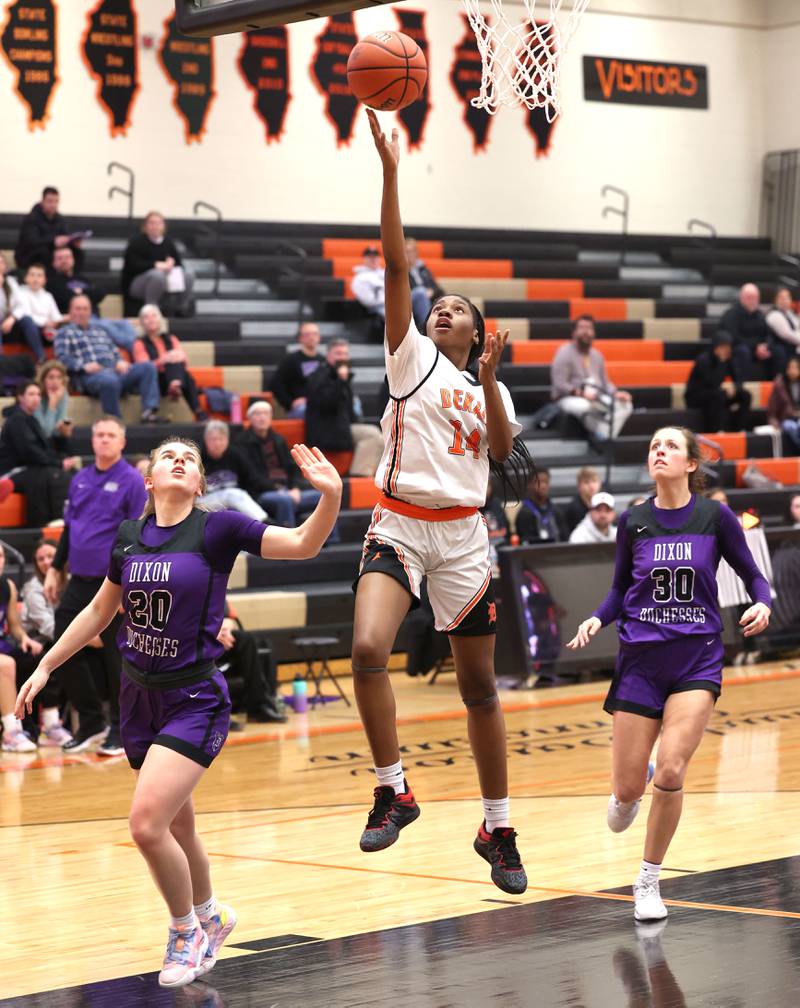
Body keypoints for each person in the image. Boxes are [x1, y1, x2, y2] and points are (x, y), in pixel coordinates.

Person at [16, 436, 341, 987]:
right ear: (149, 479)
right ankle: (212, 914)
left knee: (146, 826)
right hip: (141, 697)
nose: (180, 460)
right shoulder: (128, 538)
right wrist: (47, 665)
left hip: (195, 696)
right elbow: (100, 610)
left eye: (189, 459)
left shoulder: (218, 530)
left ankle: (185, 929)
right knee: (180, 826)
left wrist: (329, 499)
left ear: (198, 484)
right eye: (168, 455)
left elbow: (304, 544)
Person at [350, 110, 535, 894]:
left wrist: (490, 381)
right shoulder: (412, 357)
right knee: (366, 650)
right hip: (399, 523)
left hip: (464, 540)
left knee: (480, 689)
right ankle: (394, 785)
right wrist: (392, 175)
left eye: (459, 307)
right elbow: (397, 269)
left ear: (480, 332)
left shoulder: (489, 388)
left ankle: (497, 827)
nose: (442, 309)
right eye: (439, 304)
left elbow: (500, 453)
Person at [567, 426, 771, 922]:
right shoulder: (633, 520)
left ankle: (648, 881)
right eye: (653, 445)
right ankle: (628, 790)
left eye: (670, 446)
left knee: (674, 770)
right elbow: (619, 589)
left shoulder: (715, 516)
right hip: (639, 662)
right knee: (628, 791)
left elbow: (754, 575)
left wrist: (764, 603)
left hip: (696, 658)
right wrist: (598, 616)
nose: (659, 451)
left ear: (691, 464)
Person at [45, 416, 148, 755]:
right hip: (79, 580)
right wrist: (54, 568)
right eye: (98, 434)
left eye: (110, 435)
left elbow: (137, 534)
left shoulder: (132, 481)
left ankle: (121, 730)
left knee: (117, 658)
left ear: (122, 441)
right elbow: (70, 529)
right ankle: (91, 721)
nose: (103, 440)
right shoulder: (81, 479)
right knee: (62, 644)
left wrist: (128, 585)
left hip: (112, 582)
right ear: (92, 441)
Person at [54, 294, 162, 422]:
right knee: (109, 380)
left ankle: (149, 412)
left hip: (114, 372)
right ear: (70, 311)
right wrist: (83, 366)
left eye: (85, 309)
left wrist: (120, 361)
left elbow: (113, 351)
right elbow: (62, 359)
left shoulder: (100, 330)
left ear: (90, 311)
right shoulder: (64, 332)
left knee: (147, 367)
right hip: (89, 376)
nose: (81, 312)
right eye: (78, 309)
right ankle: (115, 422)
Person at [236, 400, 324, 528]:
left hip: (287, 491)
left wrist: (295, 488)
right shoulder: (242, 442)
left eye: (266, 413)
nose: (262, 417)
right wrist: (279, 490)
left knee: (323, 496)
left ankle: (329, 539)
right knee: (285, 501)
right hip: (261, 493)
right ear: (249, 418)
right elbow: (251, 476)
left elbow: (292, 467)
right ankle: (290, 542)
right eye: (258, 414)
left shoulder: (278, 439)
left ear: (271, 417)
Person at [0, 379, 77, 525]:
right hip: (12, 470)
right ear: (20, 397)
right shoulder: (17, 420)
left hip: (28, 467)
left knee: (66, 473)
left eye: (38, 394)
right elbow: (30, 452)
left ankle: (66, 519)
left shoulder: (31, 420)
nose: (36, 398)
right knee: (50, 474)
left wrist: (62, 445)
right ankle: (53, 520)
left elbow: (44, 449)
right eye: (31, 394)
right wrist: (59, 464)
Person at [305, 338, 384, 477]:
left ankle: (373, 479)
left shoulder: (341, 377)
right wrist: (341, 381)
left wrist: (343, 381)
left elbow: (348, 411)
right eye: (338, 354)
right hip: (326, 430)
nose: (342, 358)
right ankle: (358, 476)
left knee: (382, 438)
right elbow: (327, 403)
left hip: (342, 428)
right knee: (371, 434)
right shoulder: (318, 375)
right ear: (328, 355)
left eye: (345, 354)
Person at [550, 316, 633, 445]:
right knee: (587, 406)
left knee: (625, 405)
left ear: (593, 333)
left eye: (589, 328)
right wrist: (582, 394)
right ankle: (605, 438)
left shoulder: (597, 355)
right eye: (582, 328)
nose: (586, 332)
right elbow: (559, 384)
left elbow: (605, 382)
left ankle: (603, 436)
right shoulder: (564, 352)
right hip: (569, 397)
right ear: (574, 332)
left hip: (596, 396)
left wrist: (616, 393)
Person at [0, 543, 46, 751]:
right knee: (6, 664)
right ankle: (11, 732)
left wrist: (25, 639)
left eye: (1, 556)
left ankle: (49, 724)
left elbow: (14, 625)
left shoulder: (7, 585)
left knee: (39, 659)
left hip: (2, 643)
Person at [48, 246, 136, 353]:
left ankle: (135, 351)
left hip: (96, 318)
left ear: (73, 260)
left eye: (67, 257)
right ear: (53, 263)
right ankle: (137, 352)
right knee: (106, 326)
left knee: (125, 324)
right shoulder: (52, 283)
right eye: (60, 258)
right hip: (77, 321)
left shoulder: (82, 279)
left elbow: (101, 293)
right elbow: (69, 298)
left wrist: (82, 292)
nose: (64, 261)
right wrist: (87, 293)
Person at [134, 304, 206, 420]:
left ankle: (175, 384)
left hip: (173, 375)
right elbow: (144, 368)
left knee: (178, 365)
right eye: (146, 317)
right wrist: (163, 360)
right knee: (177, 367)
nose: (151, 319)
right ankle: (197, 410)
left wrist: (175, 357)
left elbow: (184, 360)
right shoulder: (139, 343)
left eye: (154, 316)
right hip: (155, 382)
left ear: (160, 319)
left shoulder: (171, 338)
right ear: (142, 322)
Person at [217, 606, 287, 723]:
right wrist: (212, 633)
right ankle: (216, 715)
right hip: (195, 640)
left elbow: (231, 619)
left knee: (246, 639)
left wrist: (224, 630)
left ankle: (257, 706)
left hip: (219, 636)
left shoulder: (216, 591)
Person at [122, 211, 194, 316]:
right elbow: (133, 265)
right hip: (139, 282)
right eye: (152, 223)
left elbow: (179, 264)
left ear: (163, 226)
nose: (155, 226)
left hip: (166, 279)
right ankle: (150, 309)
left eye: (159, 223)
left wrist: (171, 263)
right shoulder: (137, 242)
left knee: (189, 274)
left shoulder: (168, 242)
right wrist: (156, 265)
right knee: (157, 275)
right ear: (145, 226)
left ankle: (181, 307)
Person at [199, 420, 268, 521]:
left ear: (227, 440)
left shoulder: (234, 454)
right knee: (231, 494)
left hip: (234, 499)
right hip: (203, 501)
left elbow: (251, 478)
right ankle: (267, 523)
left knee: (234, 498)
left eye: (221, 439)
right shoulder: (198, 457)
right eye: (213, 439)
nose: (217, 443)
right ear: (206, 440)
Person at [684, 332, 751, 433]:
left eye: (728, 347)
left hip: (716, 392)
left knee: (745, 395)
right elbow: (709, 383)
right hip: (696, 396)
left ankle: (740, 429)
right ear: (716, 347)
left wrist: (735, 388)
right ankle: (718, 430)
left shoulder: (728, 358)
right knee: (719, 395)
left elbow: (739, 378)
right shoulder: (703, 360)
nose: (727, 350)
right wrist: (721, 363)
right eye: (723, 347)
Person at [718, 283, 785, 379]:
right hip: (740, 348)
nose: (753, 301)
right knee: (743, 351)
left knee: (779, 351)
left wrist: (765, 345)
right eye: (750, 297)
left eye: (756, 298)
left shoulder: (759, 315)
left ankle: (777, 383)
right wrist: (755, 347)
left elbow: (768, 334)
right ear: (742, 297)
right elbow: (734, 337)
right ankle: (743, 384)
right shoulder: (731, 314)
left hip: (758, 349)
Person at [14, 186, 85, 272]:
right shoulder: (31, 218)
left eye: (56, 202)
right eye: (50, 201)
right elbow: (32, 241)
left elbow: (65, 236)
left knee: (78, 252)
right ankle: (49, 280)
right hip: (29, 255)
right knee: (44, 252)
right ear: (42, 201)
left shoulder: (60, 219)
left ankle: (75, 279)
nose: (53, 205)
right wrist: (53, 241)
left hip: (52, 251)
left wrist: (72, 243)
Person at [268, 322, 326, 417]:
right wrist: (290, 403)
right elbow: (275, 384)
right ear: (300, 338)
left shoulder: (323, 360)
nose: (312, 337)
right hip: (301, 407)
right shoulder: (291, 360)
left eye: (315, 334)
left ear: (319, 337)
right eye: (307, 334)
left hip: (319, 402)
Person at [9, 262, 64, 362]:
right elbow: (25, 314)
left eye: (39, 275)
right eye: (32, 275)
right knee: (27, 321)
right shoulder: (20, 292)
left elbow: (56, 317)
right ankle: (42, 357)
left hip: (46, 331)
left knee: (64, 329)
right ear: (26, 278)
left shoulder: (48, 296)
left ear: (44, 280)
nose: (35, 279)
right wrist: (45, 323)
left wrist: (54, 323)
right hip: (25, 329)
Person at [515, 467, 566, 544]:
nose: (543, 486)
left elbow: (565, 539)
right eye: (538, 482)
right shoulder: (524, 514)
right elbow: (525, 543)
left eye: (546, 482)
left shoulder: (556, 511)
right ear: (529, 485)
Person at [406, 237, 442, 332]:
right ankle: (427, 330)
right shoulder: (401, 270)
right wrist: (423, 292)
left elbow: (437, 288)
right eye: (408, 251)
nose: (411, 255)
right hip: (408, 303)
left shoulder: (423, 269)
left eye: (413, 251)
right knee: (420, 292)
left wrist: (432, 291)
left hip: (428, 300)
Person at [767, 357, 800, 453]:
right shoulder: (779, 385)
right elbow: (771, 409)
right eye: (790, 368)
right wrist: (774, 422)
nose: (792, 371)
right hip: (785, 419)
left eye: (795, 368)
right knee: (791, 427)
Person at [34, 360, 71, 439]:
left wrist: (65, 430)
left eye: (59, 377)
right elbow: (45, 433)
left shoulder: (63, 394)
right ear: (43, 380)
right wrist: (52, 404)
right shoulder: (36, 395)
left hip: (53, 441)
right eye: (51, 377)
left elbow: (58, 426)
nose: (55, 382)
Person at [562, 466, 601, 535]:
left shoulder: (603, 504)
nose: (591, 486)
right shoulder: (573, 509)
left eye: (594, 481)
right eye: (586, 482)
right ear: (579, 485)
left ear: (599, 484)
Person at [351, 246, 385, 321]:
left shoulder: (386, 273)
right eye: (370, 257)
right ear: (364, 259)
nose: (373, 259)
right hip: (377, 308)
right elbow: (368, 301)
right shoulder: (360, 278)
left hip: (395, 304)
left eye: (375, 256)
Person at [765, 287, 800, 356]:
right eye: (781, 298)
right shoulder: (774, 315)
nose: (785, 300)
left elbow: (797, 328)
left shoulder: (789, 313)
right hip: (782, 348)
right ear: (775, 300)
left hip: (793, 347)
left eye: (787, 297)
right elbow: (788, 335)